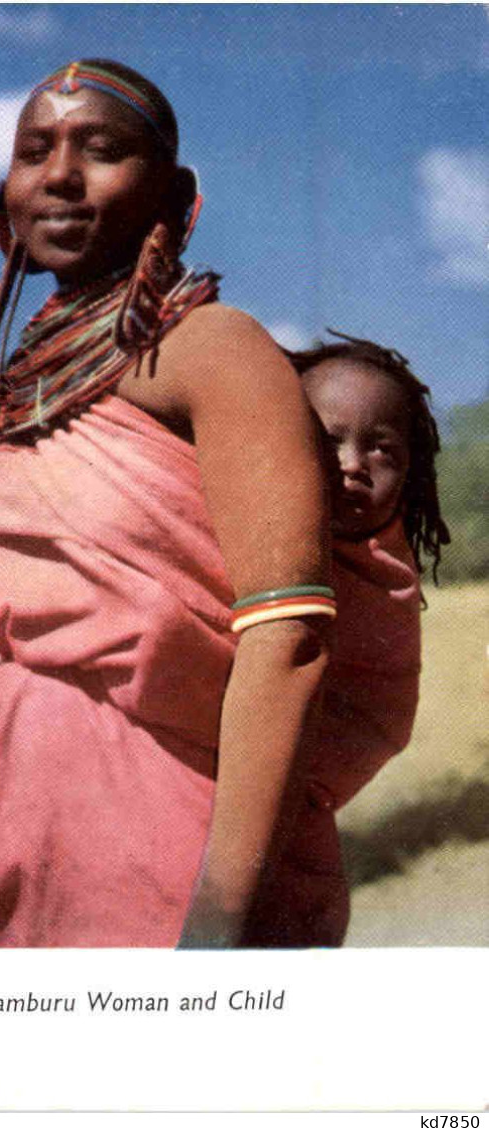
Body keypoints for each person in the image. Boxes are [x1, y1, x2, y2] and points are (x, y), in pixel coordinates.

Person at [0, 59, 334, 949]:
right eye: (33, 152)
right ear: (3, 201)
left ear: (177, 194)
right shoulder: (24, 385)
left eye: (102, 149)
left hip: (166, 826)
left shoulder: (216, 350)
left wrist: (216, 920)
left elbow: (288, 638)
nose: (59, 174)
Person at [243, 330, 450, 946]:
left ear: (411, 474)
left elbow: (379, 718)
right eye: (327, 440)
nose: (354, 464)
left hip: (293, 829)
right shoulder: (227, 536)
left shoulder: (387, 585)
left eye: (381, 449)